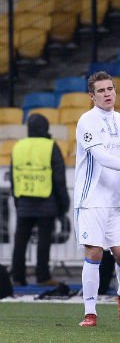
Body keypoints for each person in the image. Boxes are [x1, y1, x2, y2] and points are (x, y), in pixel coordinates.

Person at [74, 71, 120, 327]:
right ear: (92, 96)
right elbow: (101, 157)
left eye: (110, 89)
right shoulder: (86, 122)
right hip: (91, 198)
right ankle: (90, 312)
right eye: (101, 90)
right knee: (94, 252)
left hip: (118, 200)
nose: (107, 93)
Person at [10, 114, 69, 287]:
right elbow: (59, 179)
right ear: (45, 127)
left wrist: (16, 200)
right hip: (46, 202)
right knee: (44, 241)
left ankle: (18, 277)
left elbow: (15, 176)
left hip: (23, 201)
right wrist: (63, 203)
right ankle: (42, 276)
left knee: (20, 241)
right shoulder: (50, 146)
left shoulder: (18, 146)